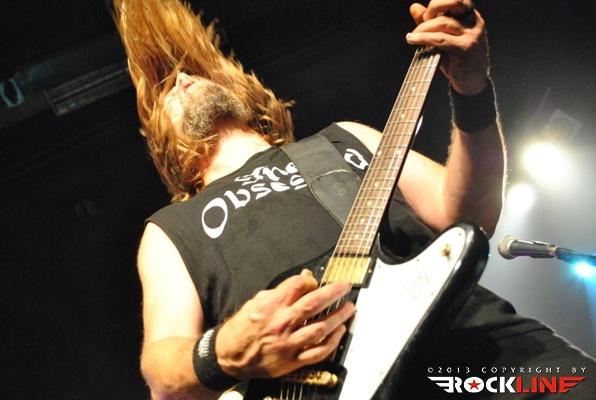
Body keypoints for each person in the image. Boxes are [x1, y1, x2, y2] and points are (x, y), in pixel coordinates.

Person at [113, 0, 595, 399]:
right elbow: (162, 373)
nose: (182, 79)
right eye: (166, 89)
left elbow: (469, 212)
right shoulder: (171, 228)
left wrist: (471, 92)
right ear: (162, 142)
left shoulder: (342, 137)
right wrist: (222, 351)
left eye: (195, 73)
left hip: (490, 361)